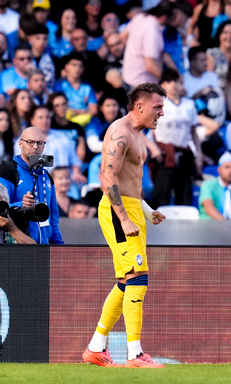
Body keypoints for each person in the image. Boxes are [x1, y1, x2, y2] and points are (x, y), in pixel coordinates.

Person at [83, 82, 167, 368]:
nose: (162, 113)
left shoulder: (137, 133)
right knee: (138, 278)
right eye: (157, 107)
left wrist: (145, 209)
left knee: (124, 282)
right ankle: (135, 354)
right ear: (140, 106)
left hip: (131, 208)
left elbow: (131, 182)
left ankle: (96, 348)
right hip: (118, 212)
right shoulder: (120, 132)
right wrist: (124, 217)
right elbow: (108, 177)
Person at [0, 126, 64, 244]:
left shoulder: (46, 176)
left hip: (43, 250)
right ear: (20, 144)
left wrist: (58, 245)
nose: (35, 147)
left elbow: (53, 220)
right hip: (15, 247)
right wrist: (21, 205)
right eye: (30, 142)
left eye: (40, 143)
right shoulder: (8, 171)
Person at [148, 68, 200, 208]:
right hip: (164, 156)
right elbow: (138, 129)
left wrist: (198, 154)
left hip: (183, 154)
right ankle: (157, 229)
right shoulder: (156, 104)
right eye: (169, 81)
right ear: (162, 85)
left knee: (184, 196)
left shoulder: (189, 105)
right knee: (161, 196)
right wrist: (153, 148)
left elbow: (194, 132)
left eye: (176, 81)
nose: (173, 85)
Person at [122, 1, 173, 88]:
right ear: (164, 17)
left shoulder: (139, 17)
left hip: (127, 77)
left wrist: (135, 51)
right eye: (173, 18)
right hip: (140, 84)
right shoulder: (152, 31)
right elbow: (150, 66)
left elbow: (122, 36)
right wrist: (169, 81)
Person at [199, 151, 231, 220]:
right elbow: (208, 206)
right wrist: (225, 224)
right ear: (219, 170)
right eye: (227, 167)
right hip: (210, 226)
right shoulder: (208, 185)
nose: (230, 171)